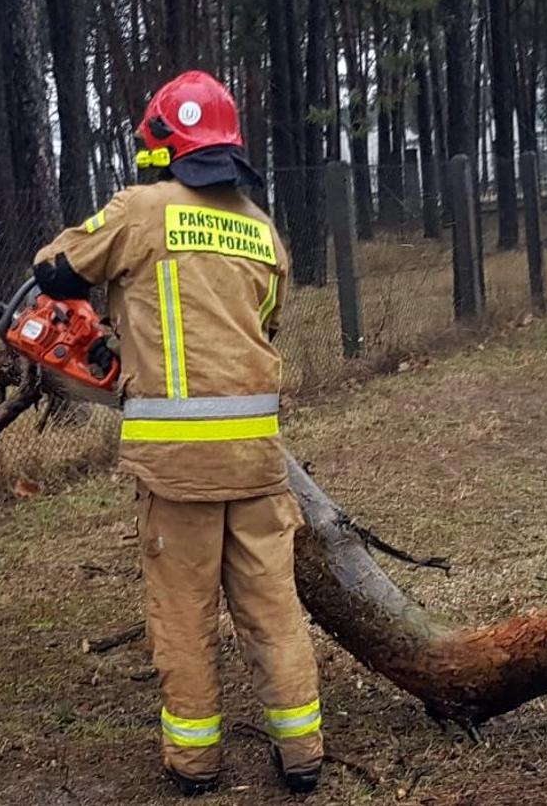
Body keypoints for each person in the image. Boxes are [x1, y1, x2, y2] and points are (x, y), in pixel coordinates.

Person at [28, 70, 323, 797]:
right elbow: (264, 327)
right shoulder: (262, 230)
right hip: (257, 459)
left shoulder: (141, 210)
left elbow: (56, 269)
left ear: (161, 147)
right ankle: (303, 755)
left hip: (177, 466)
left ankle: (195, 764)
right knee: (273, 609)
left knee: (184, 614)